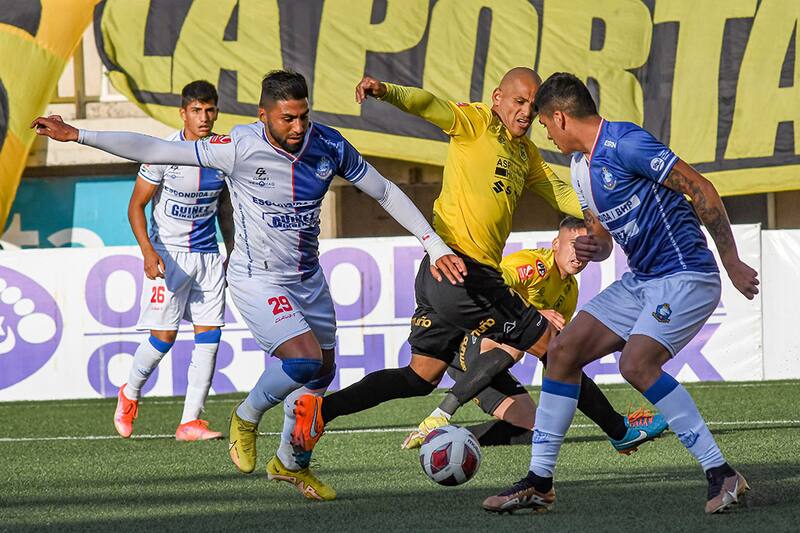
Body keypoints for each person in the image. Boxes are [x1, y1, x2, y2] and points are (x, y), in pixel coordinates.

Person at [32, 70, 463, 502]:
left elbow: (384, 191)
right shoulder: (238, 146)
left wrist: (434, 244)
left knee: (322, 377)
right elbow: (156, 148)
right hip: (256, 276)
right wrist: (78, 134)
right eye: (288, 119)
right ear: (264, 116)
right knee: (304, 361)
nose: (298, 128)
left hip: (308, 277)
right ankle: (246, 414)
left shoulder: (328, 144)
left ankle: (290, 465)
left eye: (304, 116)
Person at [482, 73, 759, 515]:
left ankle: (721, 472)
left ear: (560, 117)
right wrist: (596, 246)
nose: (546, 135)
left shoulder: (626, 142)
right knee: (562, 352)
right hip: (643, 279)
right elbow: (603, 236)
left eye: (546, 125)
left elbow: (700, 188)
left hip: (686, 274)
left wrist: (731, 261)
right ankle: (539, 482)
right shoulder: (578, 169)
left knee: (636, 363)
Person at [292, 67, 582, 455]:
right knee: (547, 344)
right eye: (519, 101)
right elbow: (430, 105)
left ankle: (320, 410)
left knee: (420, 376)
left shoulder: (525, 154)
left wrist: (611, 209)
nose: (528, 112)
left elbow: (559, 192)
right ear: (497, 98)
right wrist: (387, 90)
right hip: (461, 270)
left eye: (533, 104)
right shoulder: (476, 122)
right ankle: (617, 429)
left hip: (450, 275)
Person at [401, 216, 667, 452]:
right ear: (555, 244)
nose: (579, 255)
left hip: (490, 364)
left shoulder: (569, 291)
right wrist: (538, 315)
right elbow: (490, 285)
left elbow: (553, 354)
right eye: (573, 245)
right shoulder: (536, 264)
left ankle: (441, 441)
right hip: (467, 349)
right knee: (519, 336)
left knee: (533, 427)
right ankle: (440, 414)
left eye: (586, 248)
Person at [115, 80, 226, 442]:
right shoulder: (164, 151)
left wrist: (234, 248)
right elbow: (135, 205)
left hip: (209, 256)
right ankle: (129, 393)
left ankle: (189, 421)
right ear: (183, 113)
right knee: (163, 338)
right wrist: (148, 251)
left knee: (210, 337)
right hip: (169, 257)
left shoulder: (223, 153)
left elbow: (224, 209)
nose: (204, 117)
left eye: (210, 110)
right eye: (197, 110)